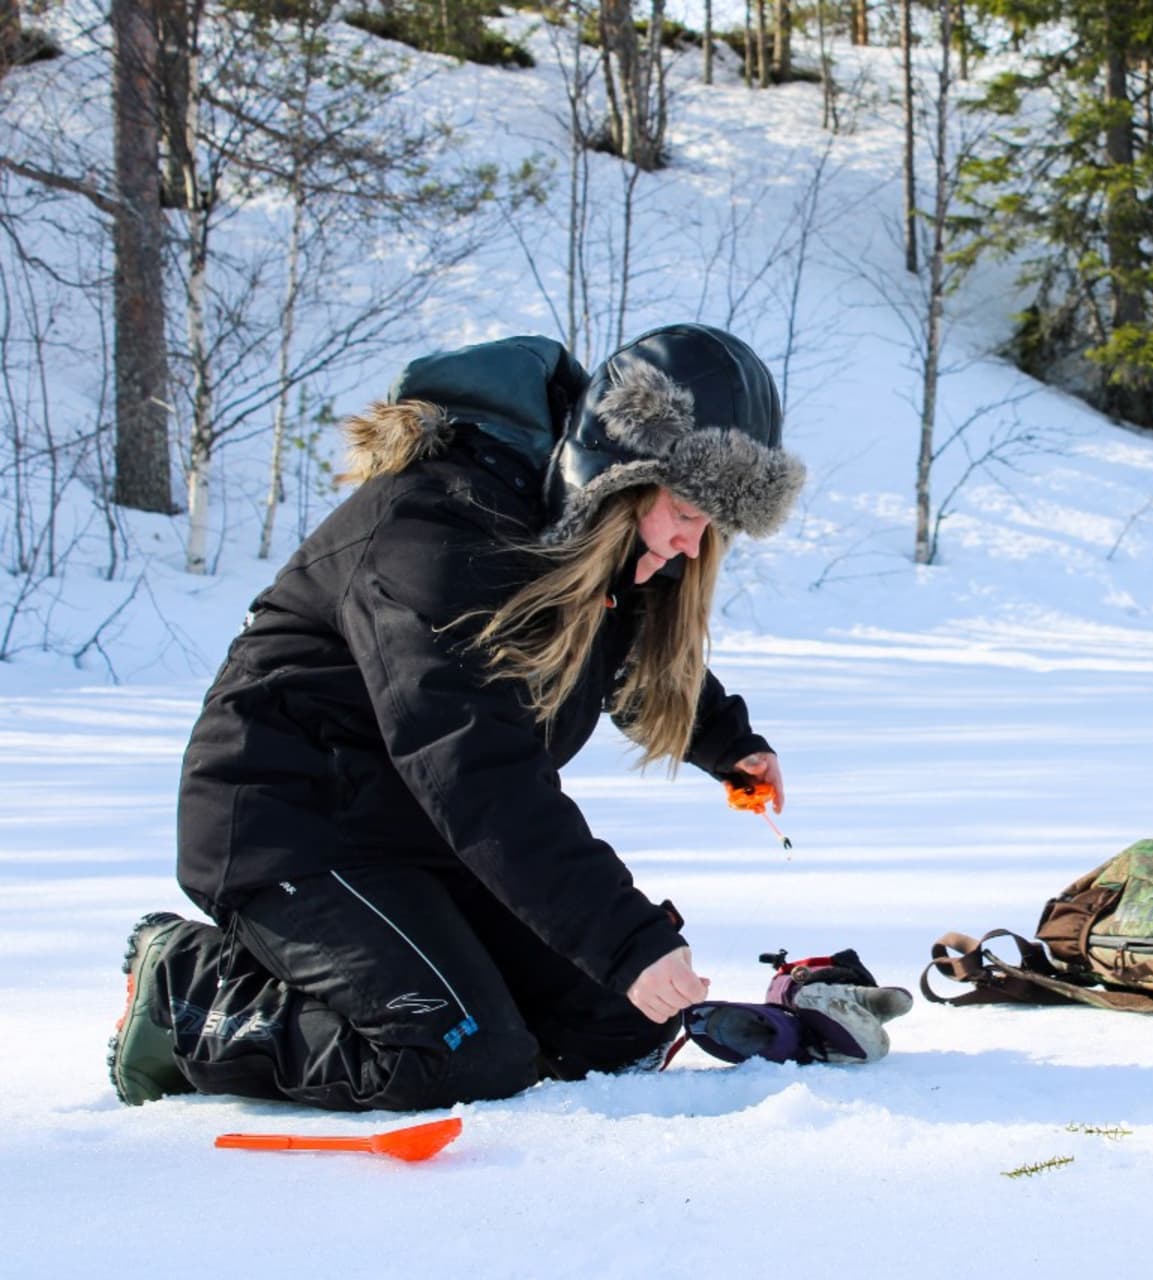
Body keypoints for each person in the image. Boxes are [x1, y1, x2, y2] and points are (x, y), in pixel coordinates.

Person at [109, 324, 807, 1111]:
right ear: (618, 473)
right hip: (294, 826)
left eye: (711, 524)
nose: (690, 541)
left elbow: (621, 656)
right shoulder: (436, 529)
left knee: (617, 1028)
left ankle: (426, 971)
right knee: (456, 1055)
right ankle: (186, 988)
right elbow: (475, 767)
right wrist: (623, 937)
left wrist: (723, 742)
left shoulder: (577, 539)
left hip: (419, 833)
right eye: (685, 509)